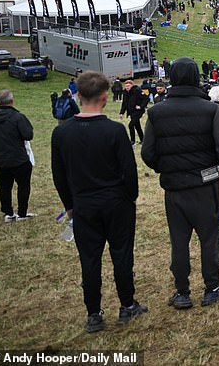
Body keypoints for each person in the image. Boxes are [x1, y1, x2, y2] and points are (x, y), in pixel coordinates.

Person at [51, 71, 147, 333]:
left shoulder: (62, 134)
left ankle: (94, 313)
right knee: (122, 255)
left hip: (84, 204)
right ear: (105, 98)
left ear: (78, 96)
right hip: (116, 202)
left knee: (89, 259)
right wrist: (130, 198)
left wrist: (70, 205)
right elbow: (129, 172)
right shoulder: (114, 131)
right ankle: (127, 304)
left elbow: (59, 176)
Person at [141, 58, 219, 309]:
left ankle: (182, 291)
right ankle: (212, 287)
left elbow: (148, 154)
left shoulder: (157, 112)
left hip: (175, 188)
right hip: (206, 186)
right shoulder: (210, 110)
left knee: (179, 240)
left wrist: (168, 168)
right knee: (209, 238)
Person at [0, 89, 35, 222]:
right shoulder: (17, 117)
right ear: (12, 101)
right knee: (23, 185)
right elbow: (28, 135)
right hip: (19, 158)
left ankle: (8, 212)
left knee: (5, 186)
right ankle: (22, 213)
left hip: (1, 159)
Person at [119, 80, 149, 145]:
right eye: (126, 86)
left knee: (131, 125)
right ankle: (143, 140)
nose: (127, 87)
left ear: (132, 85)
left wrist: (141, 106)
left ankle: (132, 141)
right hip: (131, 112)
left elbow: (146, 98)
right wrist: (122, 113)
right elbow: (124, 103)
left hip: (138, 112)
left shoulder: (137, 90)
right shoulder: (125, 93)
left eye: (128, 85)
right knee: (137, 126)